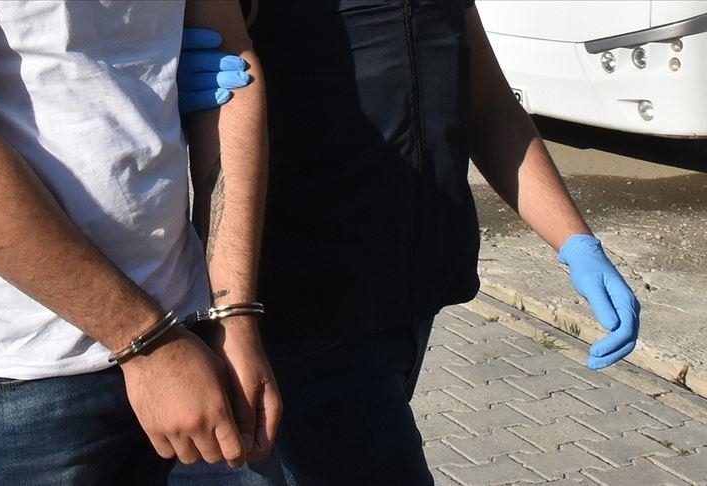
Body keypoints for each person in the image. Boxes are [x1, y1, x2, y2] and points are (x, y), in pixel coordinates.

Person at [173, 0, 641, 484]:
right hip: (308, 316)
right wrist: (232, 319)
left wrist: (575, 242)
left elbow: (487, 104)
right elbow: (214, 111)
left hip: (411, 304)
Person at [0, 0, 280, 484]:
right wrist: (147, 344)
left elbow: (231, 63)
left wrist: (233, 317)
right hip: (19, 372)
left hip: (189, 330)